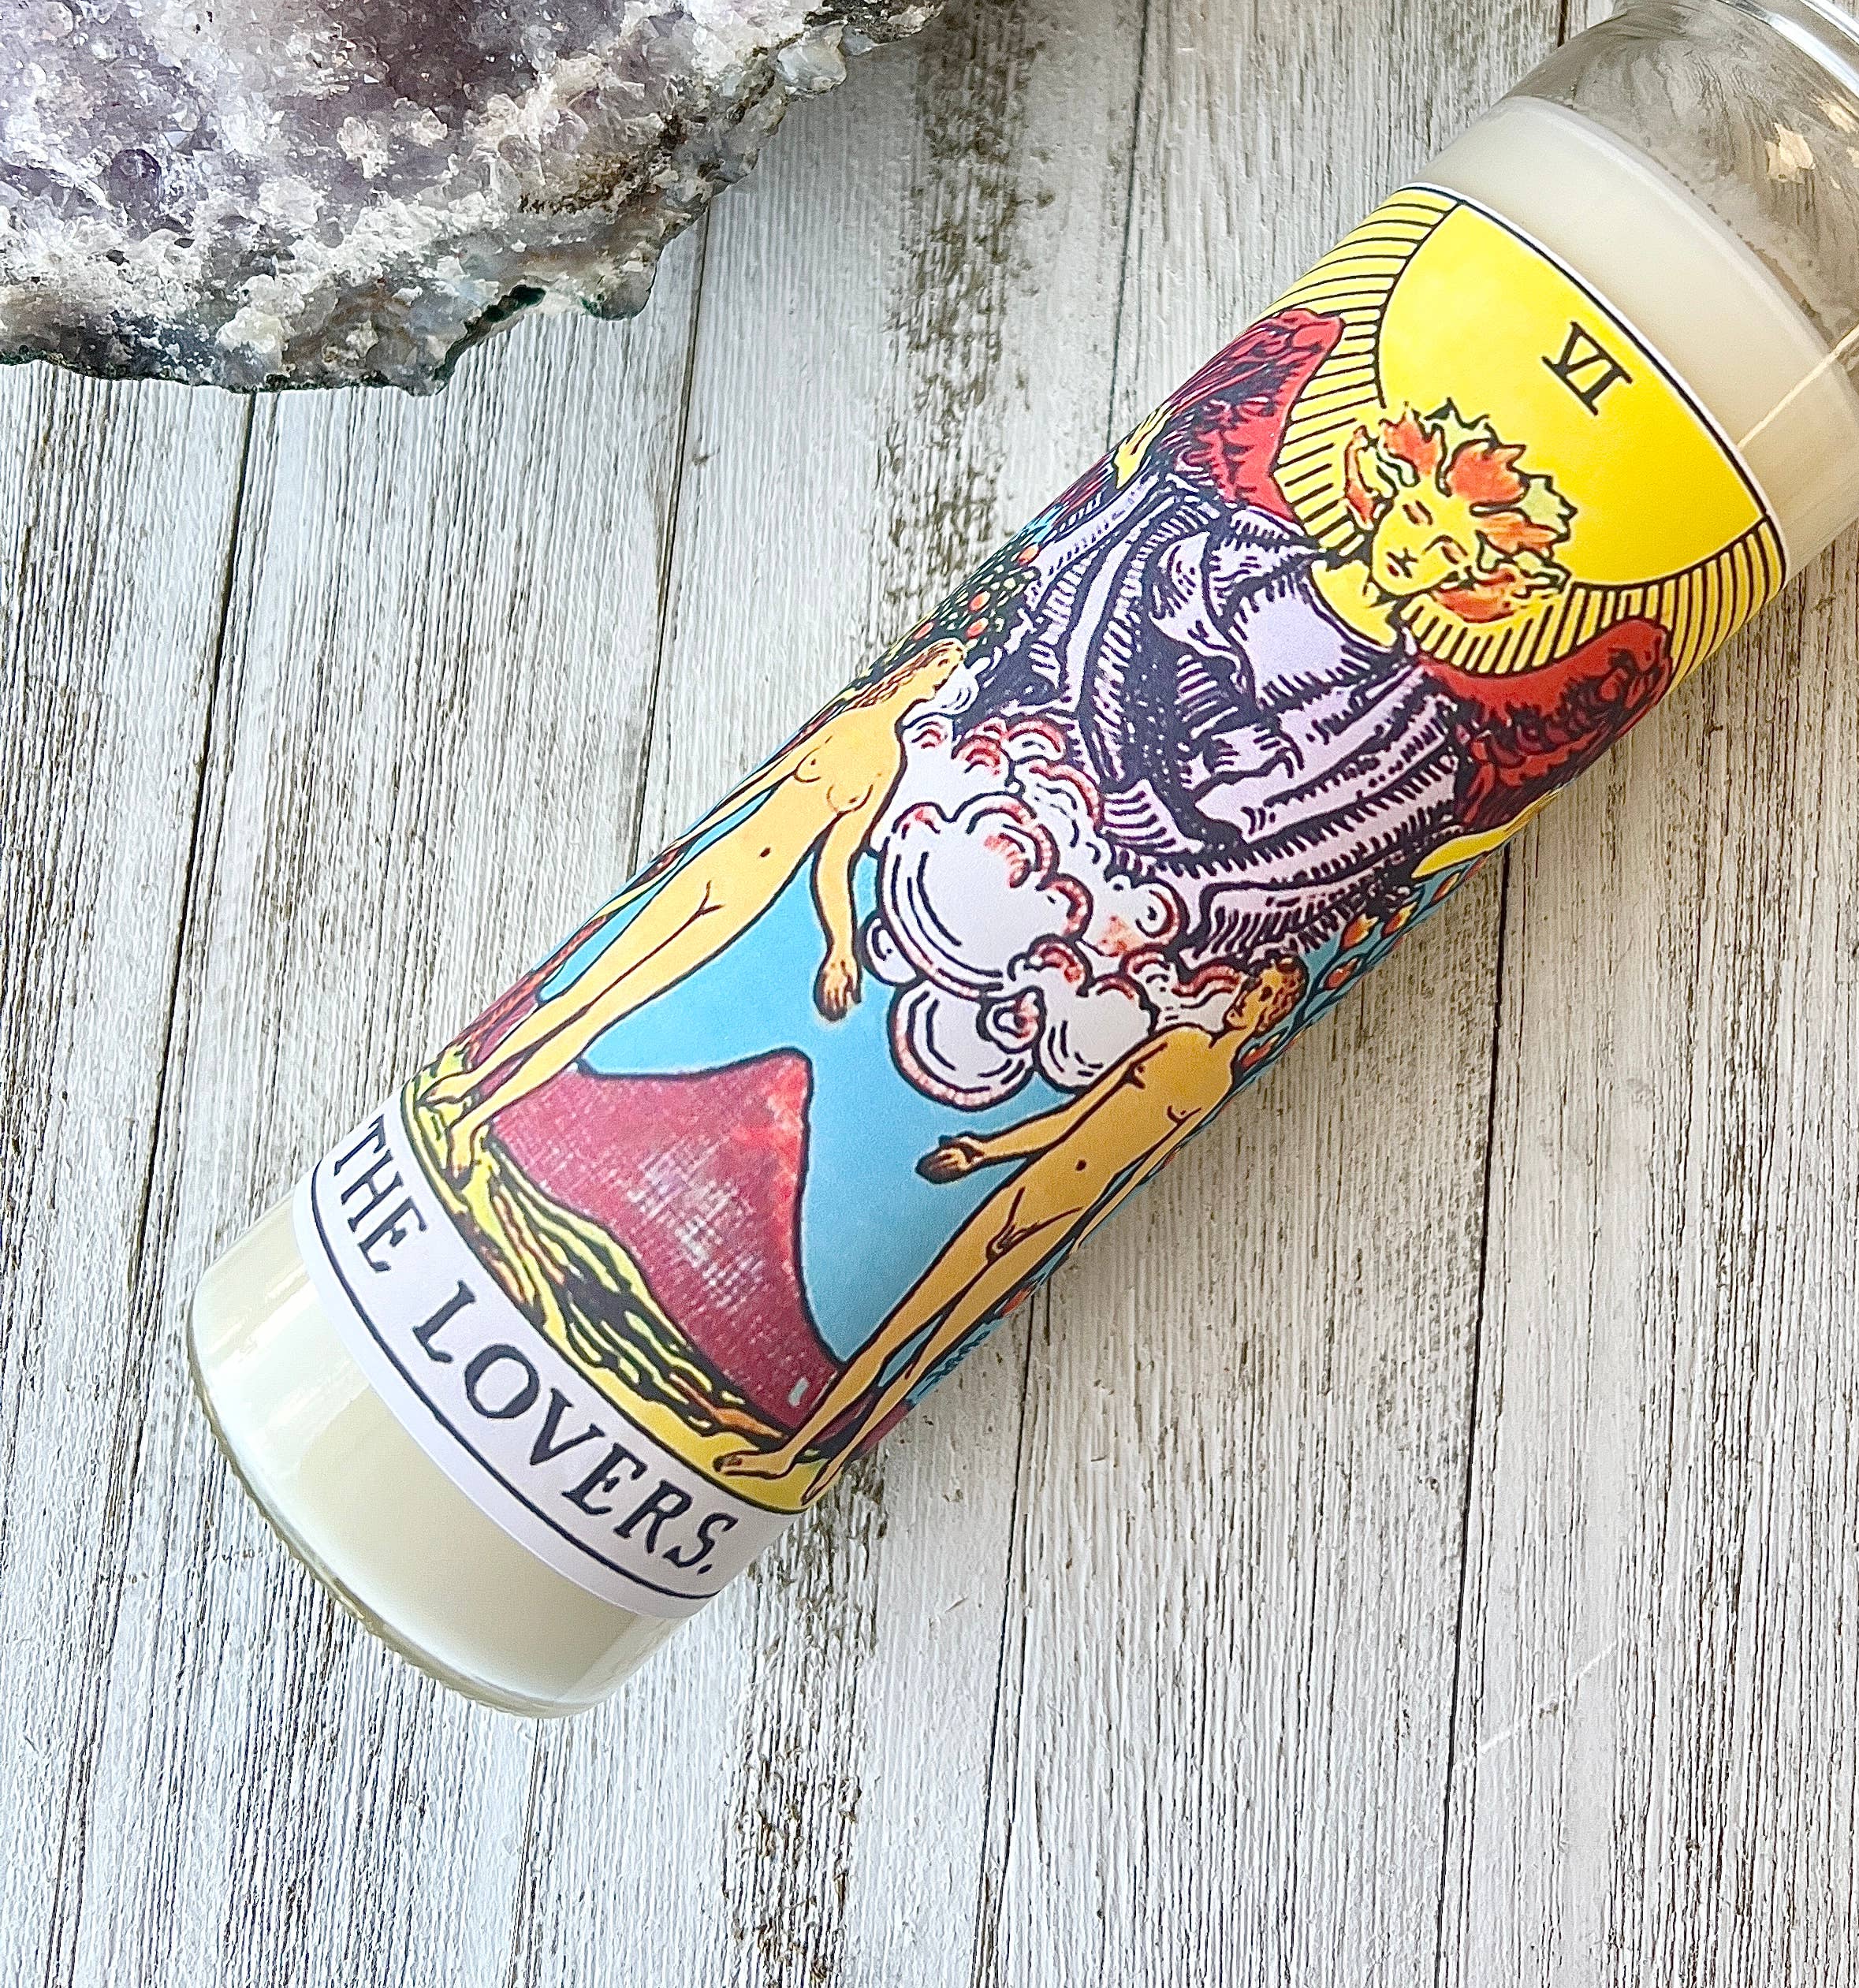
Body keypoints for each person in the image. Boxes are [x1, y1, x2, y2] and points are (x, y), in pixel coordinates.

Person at [722, 960, 1306, 1490]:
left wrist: (1071, 1237)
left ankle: (823, 1456)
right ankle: (791, 1450)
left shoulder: (1213, 1083)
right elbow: (1074, 1115)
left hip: (1067, 1211)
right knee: (901, 1324)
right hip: (1031, 1181)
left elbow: (1140, 1169)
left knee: (929, 1352)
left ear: (1272, 1013)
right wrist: (985, 1152)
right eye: (1252, 986)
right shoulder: (1178, 1041)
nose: (1246, 997)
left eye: (1262, 995)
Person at [417, 635, 968, 1173]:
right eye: (942, 669)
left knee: (604, 1013)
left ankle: (475, 1122)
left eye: (949, 677)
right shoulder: (848, 719)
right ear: (920, 665)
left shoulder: (886, 763)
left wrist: (840, 945)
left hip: (747, 897)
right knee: (583, 991)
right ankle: (467, 1084)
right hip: (713, 864)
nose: (941, 684)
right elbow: (756, 787)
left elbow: (834, 861)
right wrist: (673, 860)